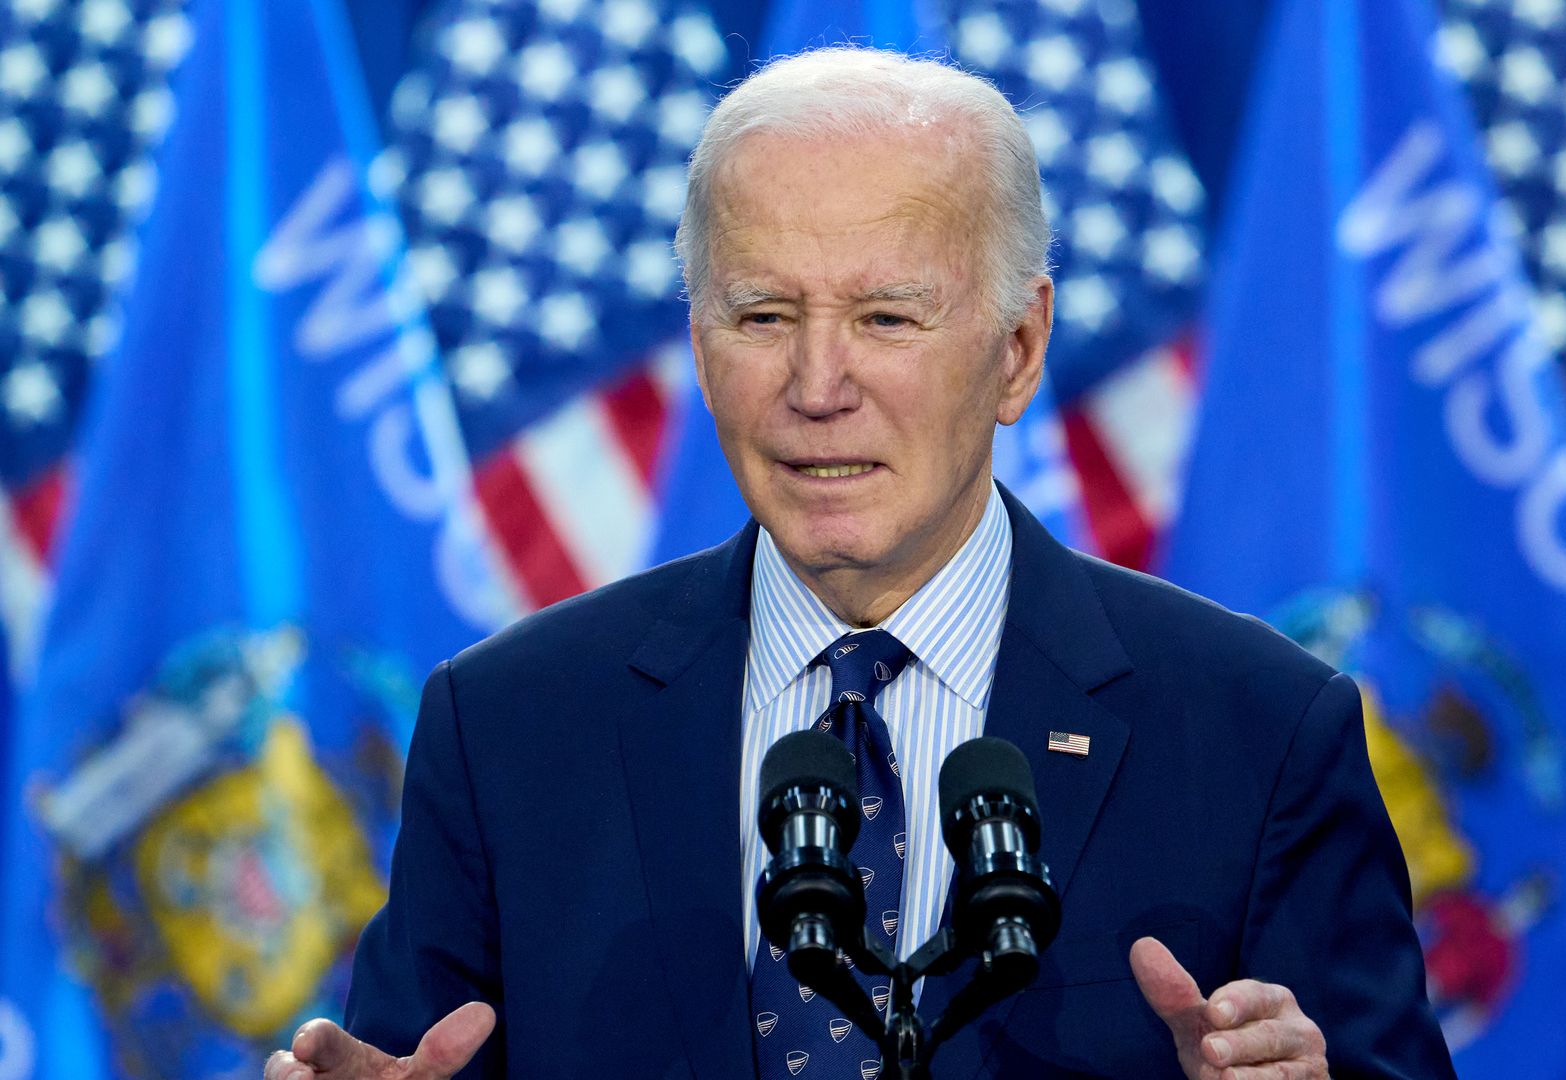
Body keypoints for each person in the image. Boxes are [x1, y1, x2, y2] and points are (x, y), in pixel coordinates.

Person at [264, 47, 1454, 1080]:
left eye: (887, 318)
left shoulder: (1256, 732)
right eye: (763, 317)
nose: (817, 388)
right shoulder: (510, 728)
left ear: (1020, 349)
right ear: (698, 340)